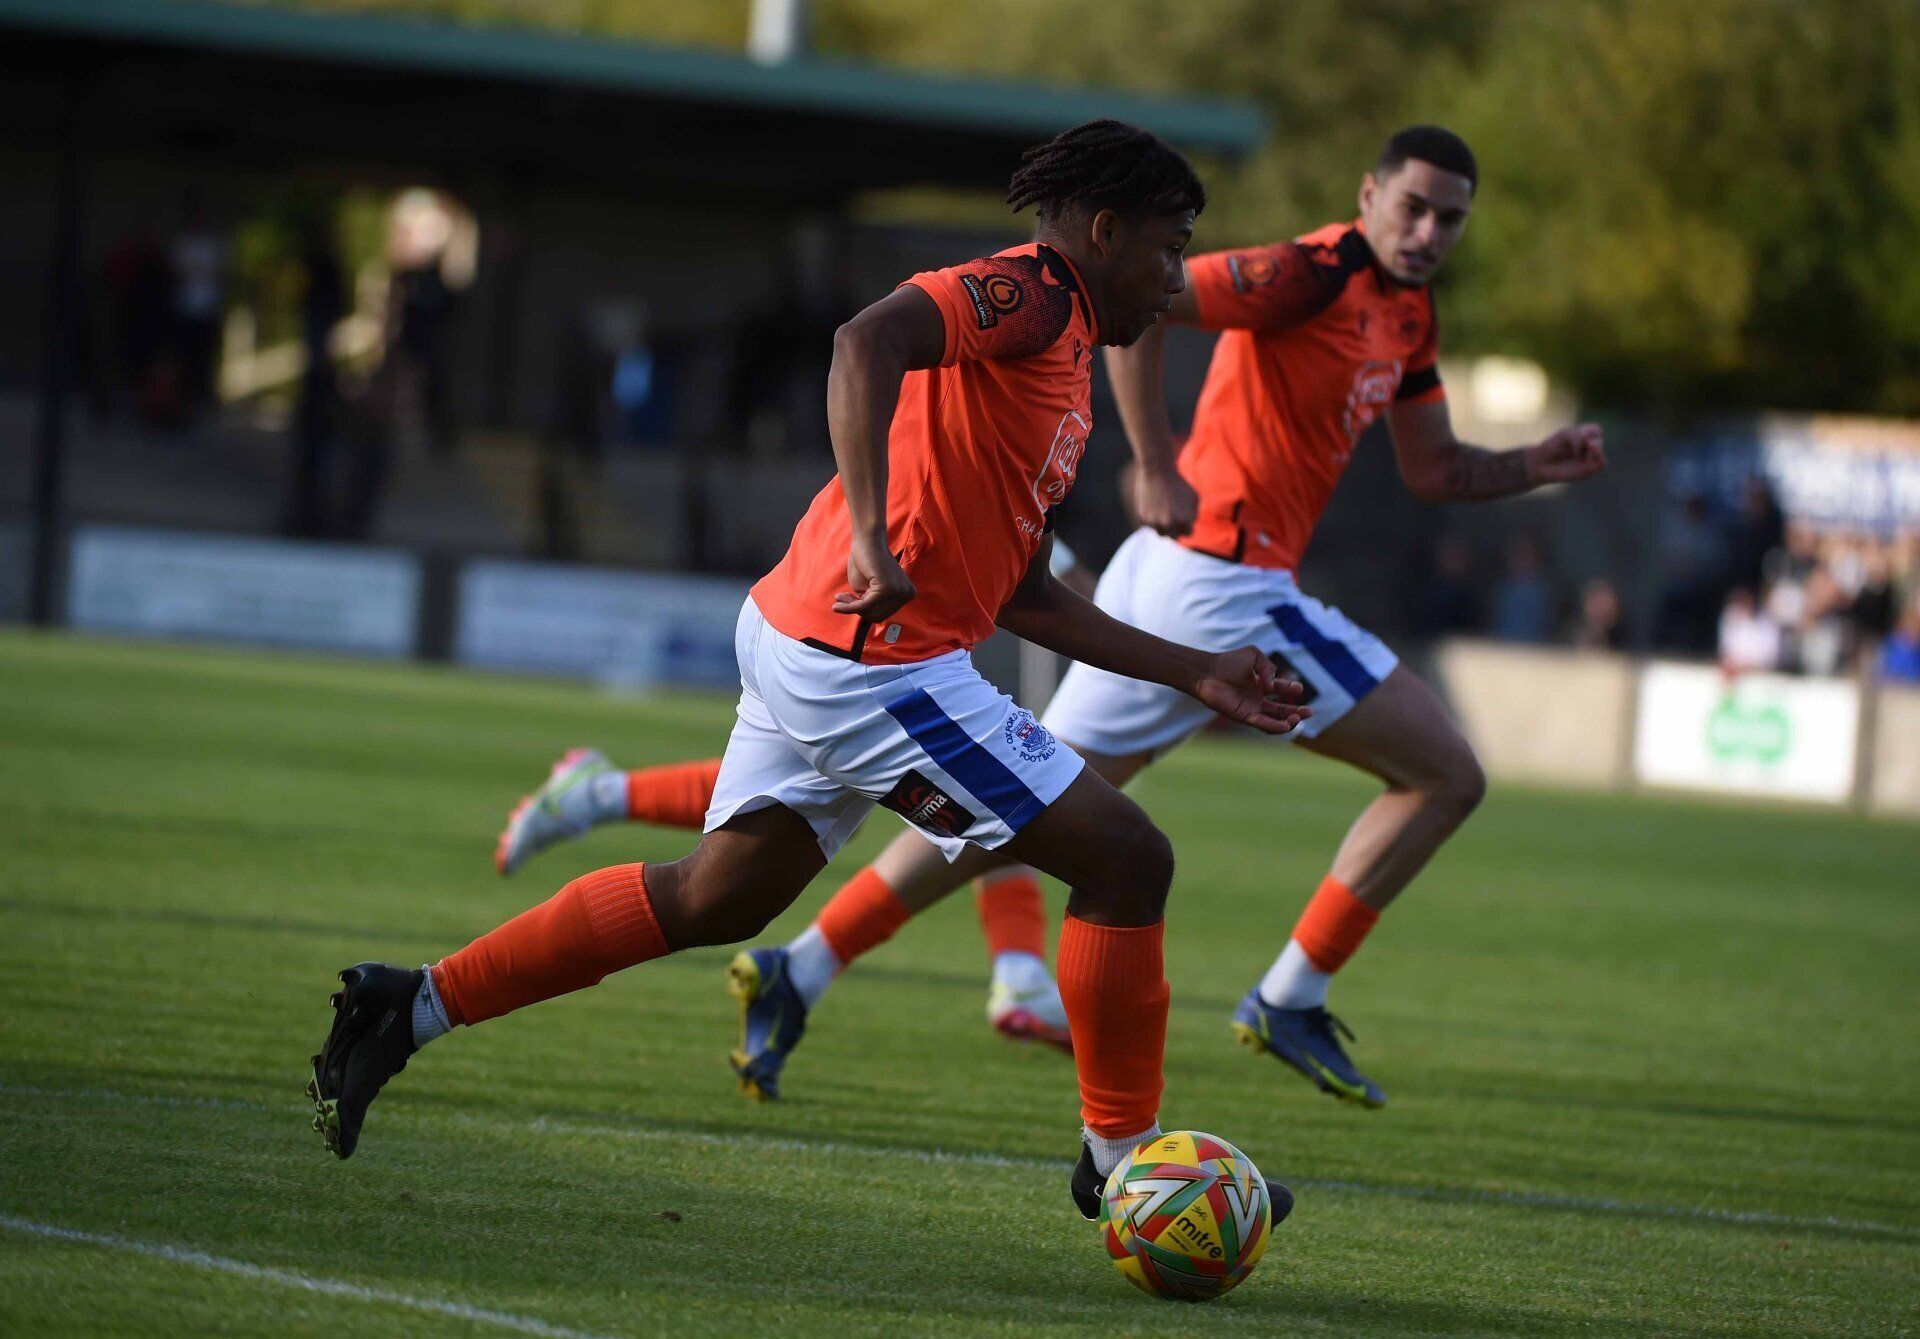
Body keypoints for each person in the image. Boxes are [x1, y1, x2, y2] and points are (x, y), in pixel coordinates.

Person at [309, 122, 1306, 1222]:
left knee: (715, 895)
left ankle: (411, 1005)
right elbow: (863, 341)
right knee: (1127, 860)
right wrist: (874, 534)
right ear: (1106, 231)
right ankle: (1120, 1159)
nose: (1174, 280)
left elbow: (1024, 595)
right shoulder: (1033, 293)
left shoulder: (1066, 355)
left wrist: (1196, 670)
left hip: (815, 638)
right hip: (872, 663)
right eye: (1170, 249)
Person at [497, 126, 1609, 1112]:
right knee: (1437, 773)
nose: (1428, 232)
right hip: (1219, 575)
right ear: (1369, 196)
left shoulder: (1405, 317)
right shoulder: (1302, 273)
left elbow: (1433, 466)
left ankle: (805, 962)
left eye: (1450, 219)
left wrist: (1532, 465)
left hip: (1144, 597)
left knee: (1034, 814)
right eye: (1413, 206)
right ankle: (1258, 1022)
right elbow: (1159, 301)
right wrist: (1156, 460)